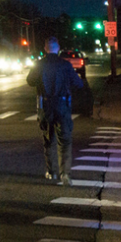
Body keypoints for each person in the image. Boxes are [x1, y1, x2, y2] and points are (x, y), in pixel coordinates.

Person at [26, 36, 84, 186]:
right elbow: (78, 84)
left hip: (45, 106)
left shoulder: (39, 65)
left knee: (48, 139)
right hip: (62, 106)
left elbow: (30, 81)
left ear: (45, 49)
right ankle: (65, 174)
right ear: (58, 48)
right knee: (64, 141)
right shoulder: (65, 65)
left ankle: (51, 172)